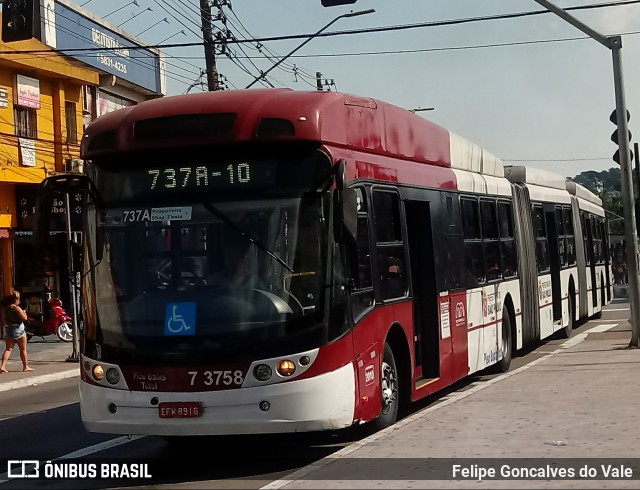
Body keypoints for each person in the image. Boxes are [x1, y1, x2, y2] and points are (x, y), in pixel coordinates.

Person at [0, 291, 32, 373]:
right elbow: (24, 318)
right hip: (18, 330)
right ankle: (25, 366)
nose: (19, 301)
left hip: (8, 329)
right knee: (23, 349)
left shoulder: (5, 309)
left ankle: (2, 366)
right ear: (15, 300)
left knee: (8, 349)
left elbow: (3, 319)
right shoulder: (17, 308)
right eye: (18, 300)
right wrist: (24, 313)